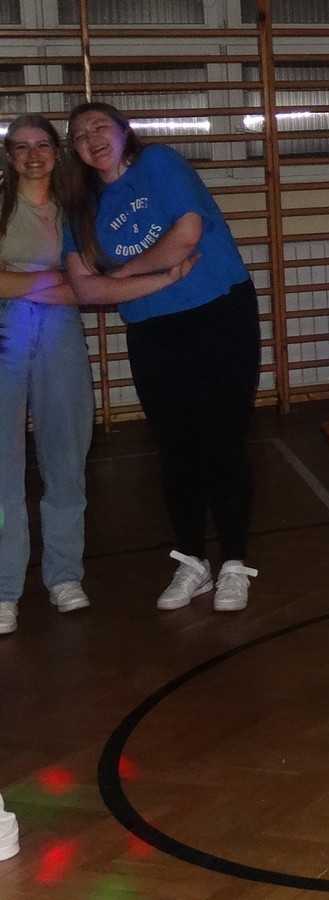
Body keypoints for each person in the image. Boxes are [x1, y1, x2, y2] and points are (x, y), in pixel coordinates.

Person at [61, 102, 261, 613]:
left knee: (222, 438)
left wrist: (123, 275)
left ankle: (234, 562)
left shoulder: (159, 163)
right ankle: (192, 560)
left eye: (99, 126)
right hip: (153, 330)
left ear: (123, 130)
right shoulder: (80, 209)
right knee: (175, 448)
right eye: (79, 135)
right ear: (75, 151)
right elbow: (86, 289)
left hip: (218, 311)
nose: (91, 138)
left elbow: (185, 236)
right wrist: (160, 279)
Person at [0, 114, 93, 636]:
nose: (32, 155)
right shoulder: (1, 206)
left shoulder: (76, 207)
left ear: (57, 152)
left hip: (61, 336)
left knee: (65, 457)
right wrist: (55, 280)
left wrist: (21, 282)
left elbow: (92, 281)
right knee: (2, 467)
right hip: (5, 336)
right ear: (9, 156)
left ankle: (64, 575)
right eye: (21, 147)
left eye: (41, 145)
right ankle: (3, 588)